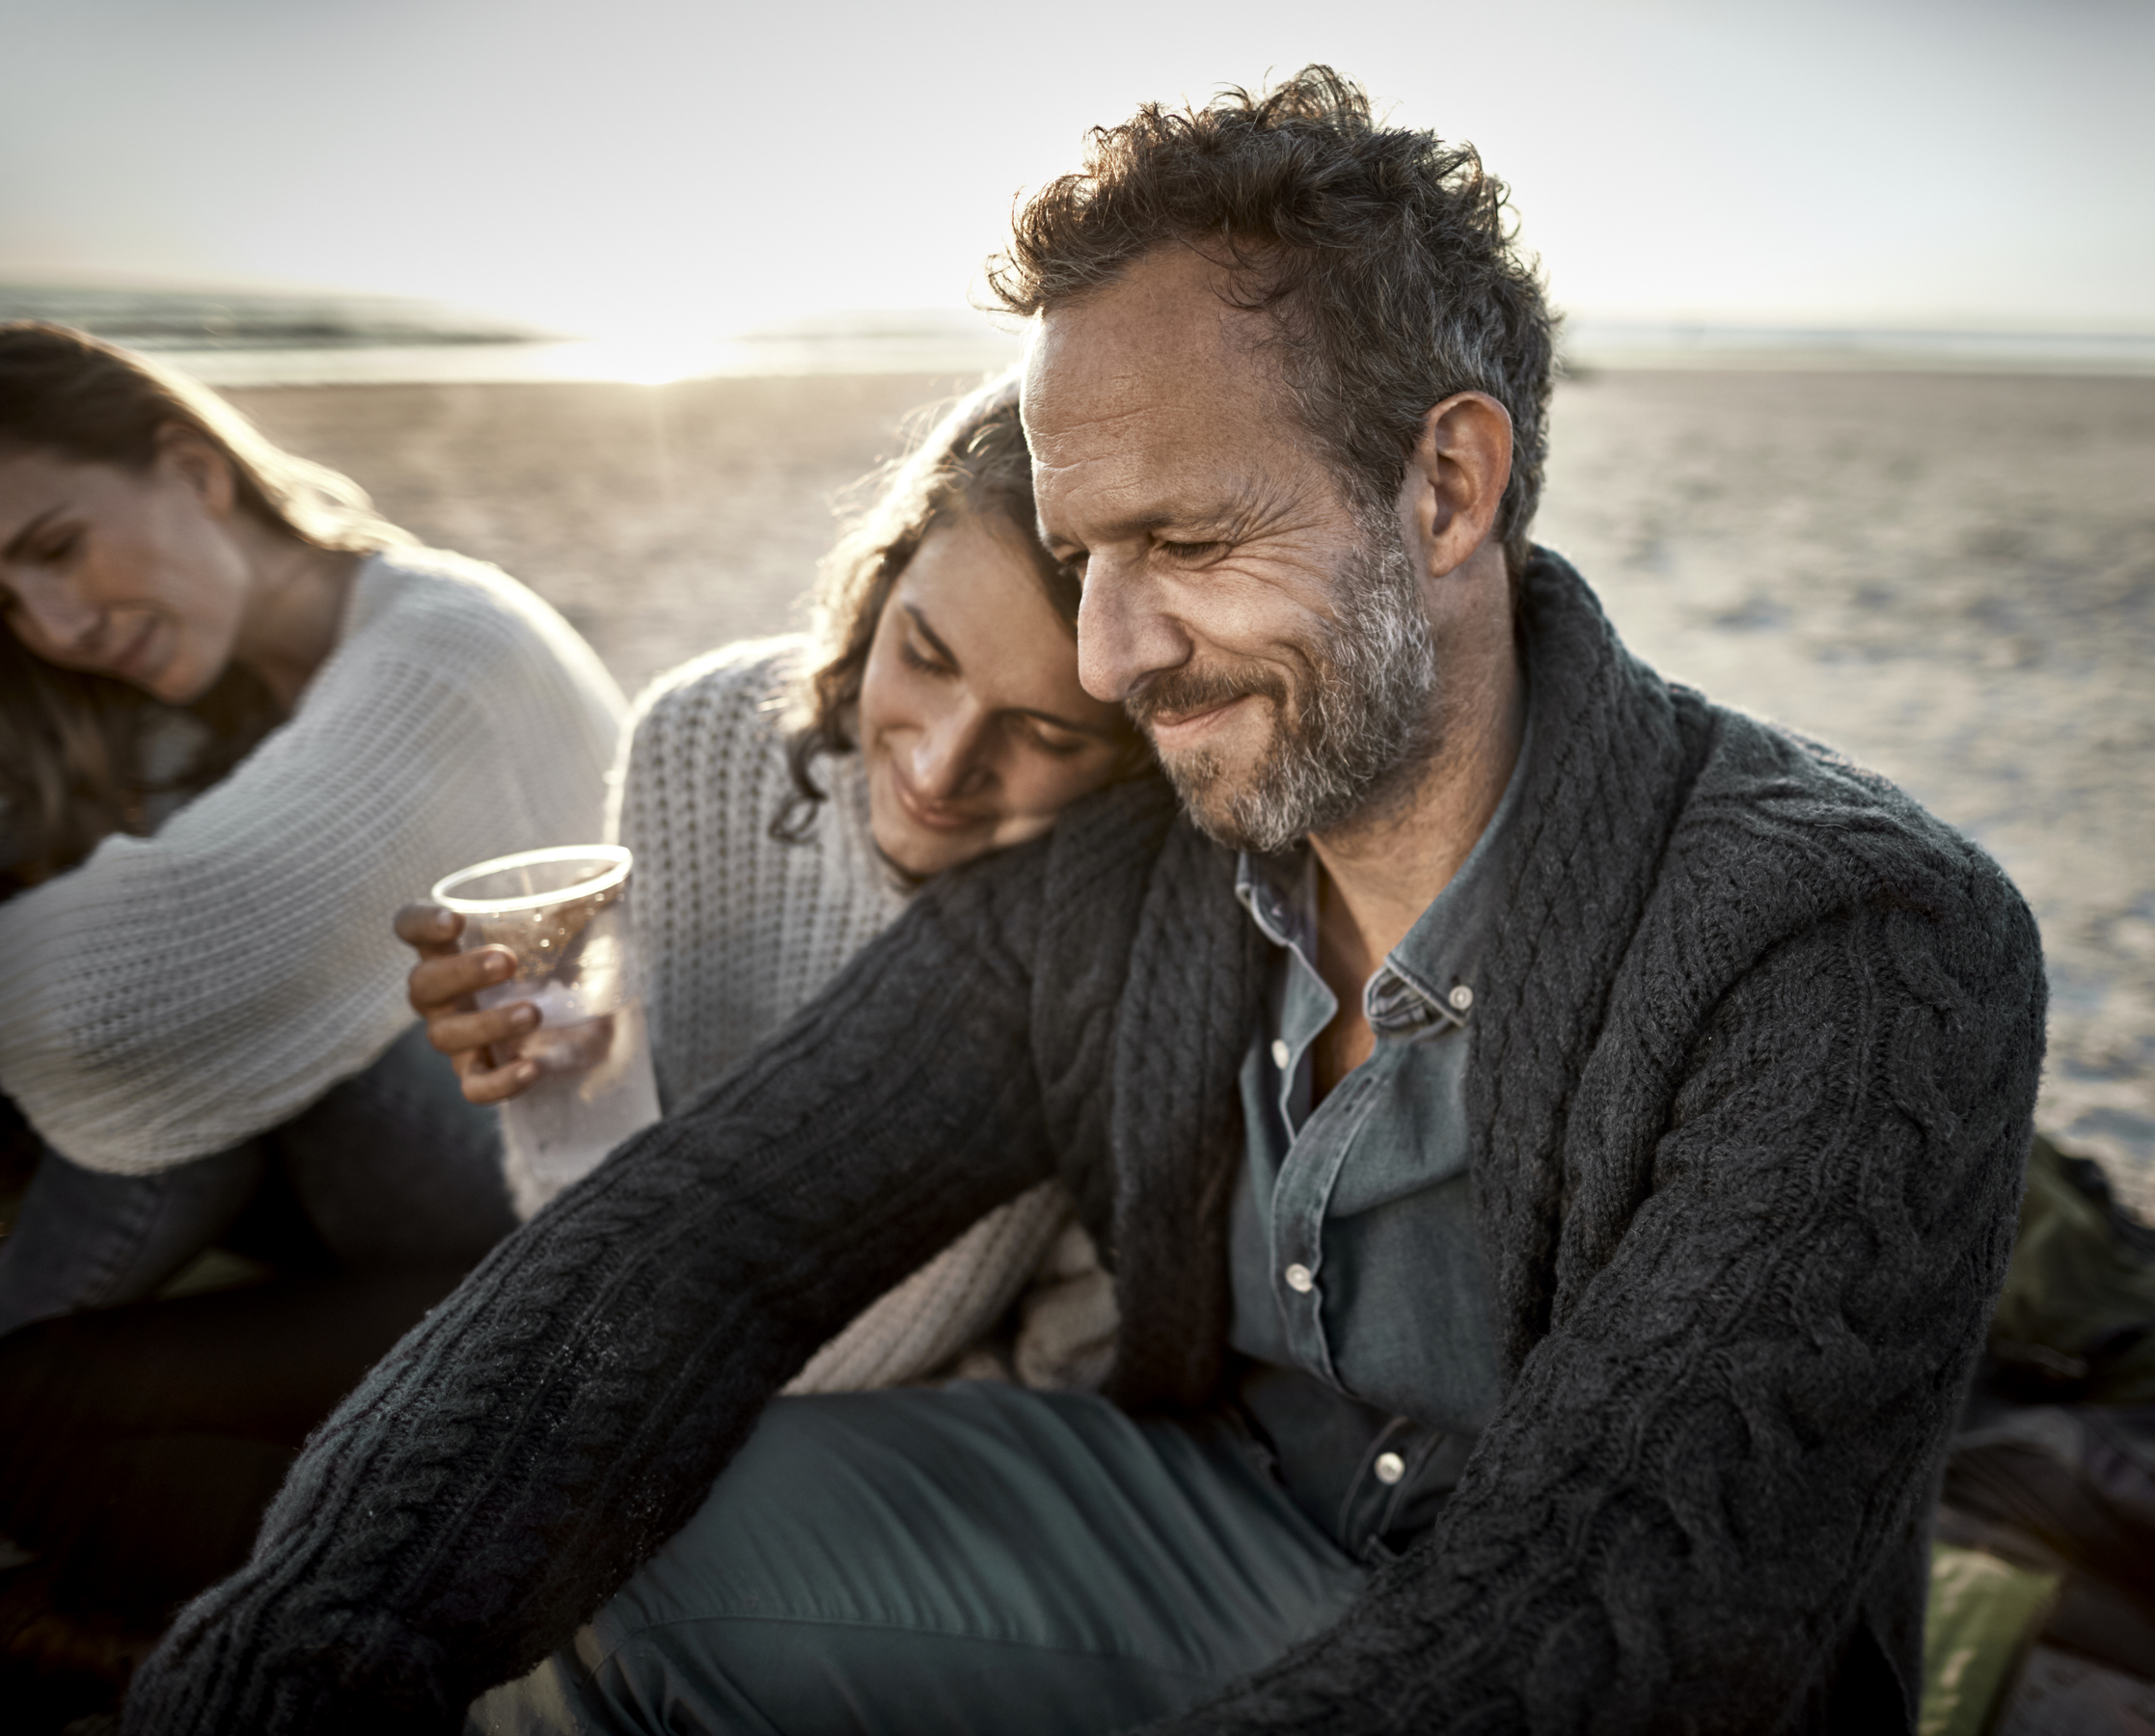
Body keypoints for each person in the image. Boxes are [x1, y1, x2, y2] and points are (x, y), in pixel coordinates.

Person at [129, 68, 2049, 1735]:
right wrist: (299, 1644)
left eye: (1191, 543)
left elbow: (1631, 1633)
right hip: (1199, 1538)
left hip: (1597, 1683)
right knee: (590, 1518)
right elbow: (704, 1234)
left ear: (1450, 489)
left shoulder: (1858, 942)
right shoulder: (1144, 872)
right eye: (1080, 553)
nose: (1116, 655)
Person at [0, 321, 621, 1718]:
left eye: (57, 546)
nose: (57, 625)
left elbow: (106, 982)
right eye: (12, 599)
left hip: (549, 1227)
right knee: (50, 1419)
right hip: (400, 1233)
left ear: (192, 469)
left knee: (189, 1005)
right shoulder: (226, 694)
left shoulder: (444, 646)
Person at [402, 373, 1137, 1393]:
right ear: (879, 592)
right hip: (653, 1350)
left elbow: (1066, 1357)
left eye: (1046, 732)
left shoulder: (1119, 908)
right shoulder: (703, 739)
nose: (938, 769)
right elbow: (586, 1211)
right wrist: (558, 1080)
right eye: (923, 656)